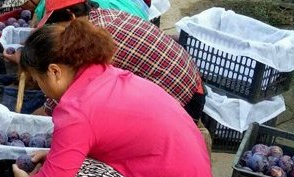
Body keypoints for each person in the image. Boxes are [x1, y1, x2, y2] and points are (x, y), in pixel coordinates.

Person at [11, 19, 219, 177]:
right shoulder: (108, 75)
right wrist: (56, 158)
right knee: (76, 169)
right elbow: (112, 141)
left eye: (38, 80)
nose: (42, 89)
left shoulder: (76, 110)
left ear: (54, 71)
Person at [34, 0, 206, 121]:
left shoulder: (92, 38)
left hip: (184, 102)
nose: (55, 31)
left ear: (71, 16)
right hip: (191, 85)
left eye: (55, 24)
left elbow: (71, 91)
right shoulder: (100, 16)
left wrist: (35, 116)